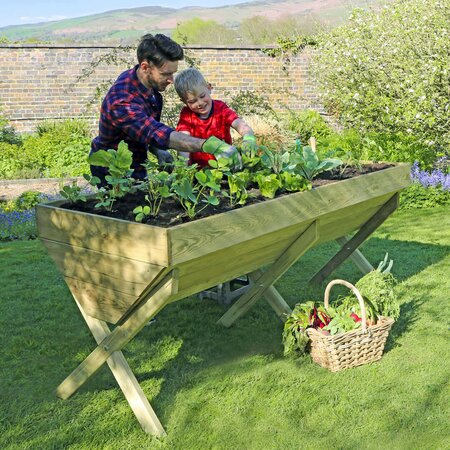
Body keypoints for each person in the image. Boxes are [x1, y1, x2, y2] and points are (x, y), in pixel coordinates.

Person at [90, 33, 241, 185]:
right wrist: (211, 145)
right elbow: (156, 132)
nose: (171, 80)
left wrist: (157, 150)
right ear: (145, 67)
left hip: (136, 164)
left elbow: (142, 130)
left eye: (173, 73)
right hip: (111, 170)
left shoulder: (147, 85)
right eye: (166, 74)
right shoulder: (121, 100)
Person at [173, 67, 258, 169]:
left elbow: (239, 124)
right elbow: (183, 141)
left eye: (202, 96)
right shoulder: (187, 115)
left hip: (226, 167)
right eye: (192, 101)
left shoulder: (220, 109)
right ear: (184, 102)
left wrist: (248, 137)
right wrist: (183, 168)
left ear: (209, 88)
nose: (199, 103)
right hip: (198, 172)